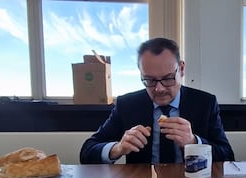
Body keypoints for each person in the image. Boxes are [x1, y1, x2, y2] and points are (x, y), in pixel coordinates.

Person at [80, 37, 235, 164]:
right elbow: (87, 152)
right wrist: (118, 148)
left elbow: (227, 156)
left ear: (181, 69)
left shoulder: (205, 103)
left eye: (167, 78)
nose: (159, 89)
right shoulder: (127, 104)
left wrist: (194, 143)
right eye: (149, 80)